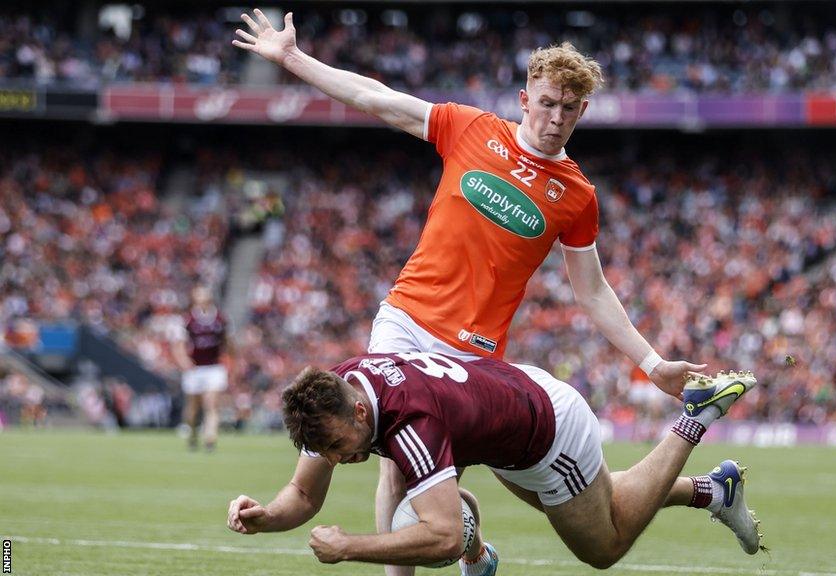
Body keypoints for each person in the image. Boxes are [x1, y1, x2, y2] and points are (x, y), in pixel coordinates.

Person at [234, 10, 708, 575]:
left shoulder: (577, 195)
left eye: (568, 109)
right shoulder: (471, 128)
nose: (554, 118)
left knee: (558, 494)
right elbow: (378, 98)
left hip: (474, 352)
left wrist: (652, 364)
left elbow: (594, 292)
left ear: (583, 111)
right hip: (406, 320)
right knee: (397, 461)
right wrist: (292, 60)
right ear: (524, 99)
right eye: (546, 103)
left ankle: (700, 492)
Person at [226, 352, 763, 570]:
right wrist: (267, 517)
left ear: (361, 410)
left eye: (342, 449)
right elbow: (302, 494)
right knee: (604, 500)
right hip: (508, 410)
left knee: (604, 544)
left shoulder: (411, 424)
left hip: (548, 436)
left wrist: (348, 547)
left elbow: (440, 539)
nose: (343, 461)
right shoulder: (335, 393)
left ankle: (694, 419)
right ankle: (716, 491)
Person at [172, 286, 230, 451]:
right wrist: (184, 361)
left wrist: (230, 360)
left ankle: (210, 439)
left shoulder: (220, 319)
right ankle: (192, 435)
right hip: (195, 368)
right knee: (193, 407)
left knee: (211, 404)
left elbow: (227, 342)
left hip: (214, 367)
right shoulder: (188, 319)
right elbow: (179, 345)